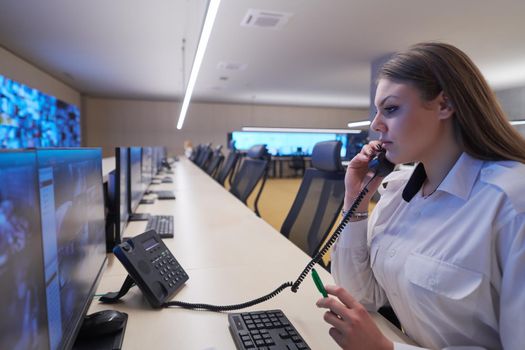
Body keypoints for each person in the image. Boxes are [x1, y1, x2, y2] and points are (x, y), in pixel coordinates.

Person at [316, 42, 525, 350]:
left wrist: (386, 349)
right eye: (377, 111)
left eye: (390, 109)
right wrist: (355, 203)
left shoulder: (510, 203)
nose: (375, 125)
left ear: (445, 105)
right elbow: (361, 297)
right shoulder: (399, 189)